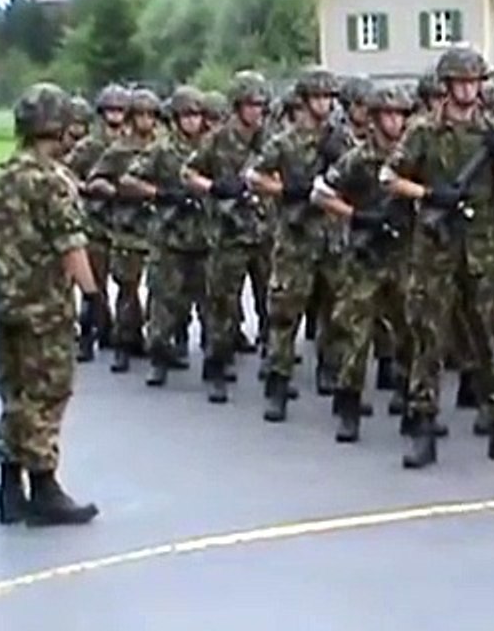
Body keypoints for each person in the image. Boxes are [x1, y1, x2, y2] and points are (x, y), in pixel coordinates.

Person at [383, 47, 494, 468]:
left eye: (475, 82)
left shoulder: (493, 131)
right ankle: (423, 427)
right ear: (448, 86)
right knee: (428, 340)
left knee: (491, 342)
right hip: (435, 249)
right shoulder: (423, 131)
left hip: (483, 250)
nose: (469, 89)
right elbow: (390, 176)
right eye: (461, 82)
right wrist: (428, 194)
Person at [0, 82, 100, 526]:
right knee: (47, 394)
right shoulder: (53, 181)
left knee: (15, 395)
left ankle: (10, 488)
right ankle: (44, 487)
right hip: (44, 309)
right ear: (60, 128)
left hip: (3, 307)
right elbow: (71, 245)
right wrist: (91, 296)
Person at [313, 84, 416, 442]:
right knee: (355, 336)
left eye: (401, 115)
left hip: (404, 254)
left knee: (411, 333)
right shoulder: (357, 159)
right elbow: (322, 193)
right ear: (373, 120)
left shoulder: (412, 157)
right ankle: (349, 406)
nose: (395, 122)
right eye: (388, 115)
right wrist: (356, 216)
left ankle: (410, 399)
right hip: (364, 258)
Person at [247, 67, 343, 422]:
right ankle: (278, 383)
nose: (325, 103)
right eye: (319, 97)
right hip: (295, 238)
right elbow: (254, 176)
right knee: (285, 314)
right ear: (304, 101)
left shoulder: (339, 139)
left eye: (329, 97)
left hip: (331, 237)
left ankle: (329, 371)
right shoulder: (284, 142)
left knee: (334, 312)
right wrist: (288, 191)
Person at [184, 71, 273, 400]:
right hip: (229, 232)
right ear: (238, 106)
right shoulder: (218, 139)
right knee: (223, 304)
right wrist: (213, 187)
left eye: (261, 105)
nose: (257, 112)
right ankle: (217, 366)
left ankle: (275, 366)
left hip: (265, 232)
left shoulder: (270, 138)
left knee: (273, 302)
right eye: (251, 105)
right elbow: (188, 173)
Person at [122, 86, 213, 389]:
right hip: (169, 236)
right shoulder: (162, 149)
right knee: (163, 302)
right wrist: (160, 194)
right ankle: (159, 358)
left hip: (206, 237)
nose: (193, 121)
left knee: (212, 306)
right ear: (175, 119)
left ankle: (215, 365)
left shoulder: (211, 148)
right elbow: (128, 179)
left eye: (197, 115)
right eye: (186, 115)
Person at [85, 89, 162, 373]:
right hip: (127, 227)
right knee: (127, 289)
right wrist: (116, 191)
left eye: (151, 115)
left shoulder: (162, 148)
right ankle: (122, 342)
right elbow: (95, 180)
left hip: (159, 228)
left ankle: (155, 340)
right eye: (139, 114)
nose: (145, 120)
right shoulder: (118, 151)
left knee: (160, 290)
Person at [64, 84, 132, 362]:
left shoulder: (134, 144)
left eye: (120, 110)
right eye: (111, 110)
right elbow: (66, 172)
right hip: (96, 221)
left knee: (128, 284)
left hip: (128, 222)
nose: (115, 116)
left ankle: (123, 336)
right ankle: (89, 335)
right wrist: (87, 188)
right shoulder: (90, 146)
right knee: (95, 283)